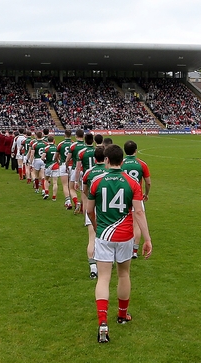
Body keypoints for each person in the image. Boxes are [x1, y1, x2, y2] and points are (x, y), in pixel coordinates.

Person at [85, 144, 152, 343]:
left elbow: (89, 210)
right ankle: (122, 315)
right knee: (123, 274)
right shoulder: (132, 182)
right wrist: (147, 239)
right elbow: (139, 212)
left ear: (106, 160)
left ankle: (102, 322)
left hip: (104, 235)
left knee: (103, 278)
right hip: (124, 236)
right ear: (122, 161)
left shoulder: (97, 181)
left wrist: (97, 226)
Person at [121, 140, 152, 259]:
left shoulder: (121, 163)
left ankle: (122, 247)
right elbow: (148, 182)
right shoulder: (142, 164)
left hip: (123, 195)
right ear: (135, 150)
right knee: (137, 224)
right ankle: (134, 251)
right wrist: (146, 194)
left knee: (123, 221)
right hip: (137, 196)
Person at [81, 145, 108, 279]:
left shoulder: (89, 172)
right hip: (107, 209)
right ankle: (107, 263)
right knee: (107, 237)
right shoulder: (109, 171)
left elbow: (85, 191)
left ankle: (93, 268)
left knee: (92, 238)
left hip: (93, 207)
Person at [56, 129, 73, 209]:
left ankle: (68, 201)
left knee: (65, 185)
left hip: (63, 165)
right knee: (71, 185)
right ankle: (76, 201)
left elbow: (56, 156)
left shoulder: (60, 144)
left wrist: (59, 161)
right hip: (72, 166)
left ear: (64, 135)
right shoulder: (74, 144)